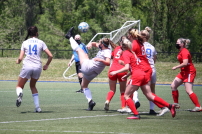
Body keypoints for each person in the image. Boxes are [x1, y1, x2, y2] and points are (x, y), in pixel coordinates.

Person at [110, 37, 177, 119]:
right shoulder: (133, 53)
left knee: (126, 95)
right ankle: (169, 106)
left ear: (122, 45)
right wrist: (127, 75)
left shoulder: (126, 53)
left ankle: (136, 114)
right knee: (149, 95)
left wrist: (115, 72)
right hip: (143, 74)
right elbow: (134, 66)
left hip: (137, 75)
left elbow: (127, 67)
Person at [65, 27, 116, 111]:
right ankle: (90, 102)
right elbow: (94, 44)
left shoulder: (107, 51)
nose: (98, 44)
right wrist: (90, 44)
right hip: (94, 72)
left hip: (89, 67)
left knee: (80, 50)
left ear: (102, 45)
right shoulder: (104, 48)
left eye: (100, 43)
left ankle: (69, 37)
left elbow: (108, 62)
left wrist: (100, 59)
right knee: (83, 86)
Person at [15, 26, 53, 112]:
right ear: (37, 33)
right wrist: (46, 65)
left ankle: (20, 94)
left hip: (27, 66)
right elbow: (50, 56)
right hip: (37, 67)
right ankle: (38, 108)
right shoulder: (41, 42)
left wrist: (18, 61)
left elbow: (20, 58)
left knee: (19, 86)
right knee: (33, 86)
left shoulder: (25, 42)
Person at [170, 38, 201, 113]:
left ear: (182, 44)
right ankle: (176, 103)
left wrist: (176, 67)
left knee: (188, 90)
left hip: (189, 72)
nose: (176, 44)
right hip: (183, 72)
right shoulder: (181, 51)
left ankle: (198, 107)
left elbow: (185, 63)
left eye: (178, 43)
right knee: (173, 86)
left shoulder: (185, 52)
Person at [134, 27, 158, 115]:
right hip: (152, 69)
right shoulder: (152, 47)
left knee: (135, 87)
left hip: (143, 69)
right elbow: (154, 59)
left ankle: (136, 101)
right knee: (152, 91)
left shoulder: (139, 45)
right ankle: (152, 109)